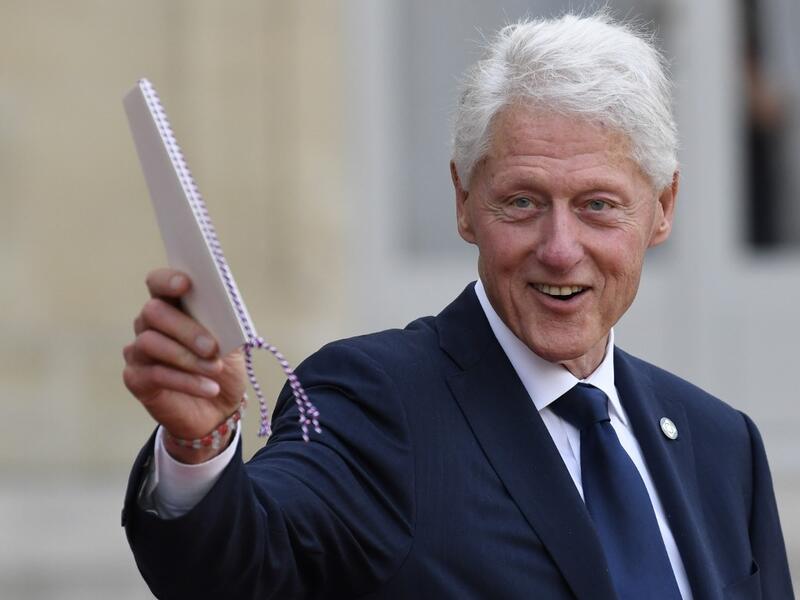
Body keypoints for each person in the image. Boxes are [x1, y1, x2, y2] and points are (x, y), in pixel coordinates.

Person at [121, 13, 794, 600]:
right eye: (523, 202)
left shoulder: (720, 445)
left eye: (597, 206)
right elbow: (243, 565)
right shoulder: (376, 403)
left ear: (663, 208)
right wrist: (198, 447)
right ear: (464, 202)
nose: (560, 250)